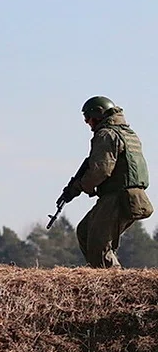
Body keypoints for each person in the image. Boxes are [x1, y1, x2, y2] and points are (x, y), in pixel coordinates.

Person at [60, 96, 153, 268]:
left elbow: (101, 170)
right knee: (85, 231)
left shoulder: (106, 134)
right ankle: (106, 276)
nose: (88, 124)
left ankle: (112, 283)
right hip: (129, 195)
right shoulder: (126, 133)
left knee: (98, 244)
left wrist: (79, 187)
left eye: (89, 119)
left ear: (98, 114)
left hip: (119, 196)